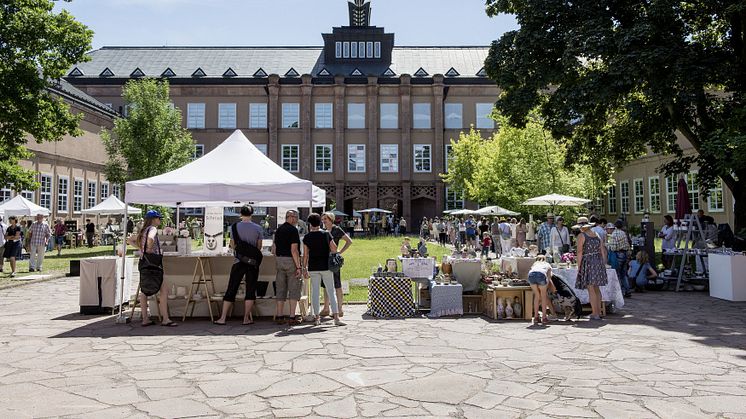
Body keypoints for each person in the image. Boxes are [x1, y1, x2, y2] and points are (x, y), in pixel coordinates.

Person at [214, 205, 263, 326]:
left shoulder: (234, 227)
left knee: (232, 288)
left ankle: (223, 318)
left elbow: (232, 244)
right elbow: (259, 247)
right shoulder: (258, 228)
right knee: (250, 289)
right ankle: (246, 318)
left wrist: (241, 252)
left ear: (240, 214)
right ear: (252, 214)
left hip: (238, 261)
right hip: (252, 263)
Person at [130, 210, 176, 327]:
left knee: (144, 290)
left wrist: (142, 249)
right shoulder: (153, 229)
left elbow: (129, 240)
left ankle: (145, 319)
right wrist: (150, 248)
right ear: (153, 219)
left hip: (143, 262)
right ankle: (165, 318)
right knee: (163, 290)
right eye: (159, 218)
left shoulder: (143, 230)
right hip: (154, 263)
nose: (160, 220)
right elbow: (150, 239)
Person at [303, 213, 344, 326]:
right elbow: (334, 248)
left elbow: (306, 255)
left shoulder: (307, 237)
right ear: (320, 222)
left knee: (315, 293)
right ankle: (336, 318)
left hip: (313, 267)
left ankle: (317, 318)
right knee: (331, 291)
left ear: (310, 224)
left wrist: (304, 268)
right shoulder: (326, 234)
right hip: (326, 266)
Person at [272, 210, 303, 325]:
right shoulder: (293, 230)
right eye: (296, 217)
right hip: (291, 261)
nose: (296, 220)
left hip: (279, 261)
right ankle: (292, 317)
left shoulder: (278, 230)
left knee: (280, 289)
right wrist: (298, 267)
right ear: (291, 217)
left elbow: (273, 249)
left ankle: (279, 316)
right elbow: (294, 250)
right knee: (293, 289)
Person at [575, 217, 608, 320]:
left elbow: (579, 252)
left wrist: (578, 266)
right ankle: (598, 312)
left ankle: (595, 313)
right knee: (596, 288)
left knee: (590, 288)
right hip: (598, 262)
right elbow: (602, 250)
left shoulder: (581, 236)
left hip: (588, 262)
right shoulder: (596, 234)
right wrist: (603, 263)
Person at [320, 212, 352, 318]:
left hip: (333, 260)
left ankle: (339, 308)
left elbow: (349, 241)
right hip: (324, 260)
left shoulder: (336, 229)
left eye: (325, 219)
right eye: (323, 219)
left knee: (337, 284)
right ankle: (326, 308)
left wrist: (339, 252)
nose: (323, 221)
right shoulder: (322, 230)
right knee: (325, 285)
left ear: (331, 219)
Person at [608, 220, 632, 298]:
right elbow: (627, 244)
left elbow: (613, 248)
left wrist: (608, 246)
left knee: (617, 273)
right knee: (624, 274)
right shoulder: (623, 233)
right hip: (624, 253)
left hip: (618, 255)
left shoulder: (614, 234)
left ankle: (620, 292)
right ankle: (628, 290)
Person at [528, 255, 553, 325]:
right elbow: (549, 277)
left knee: (537, 296)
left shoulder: (534, 264)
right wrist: (546, 285)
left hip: (531, 275)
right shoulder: (547, 264)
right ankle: (544, 318)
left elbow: (531, 271)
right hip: (541, 275)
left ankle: (536, 317)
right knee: (543, 297)